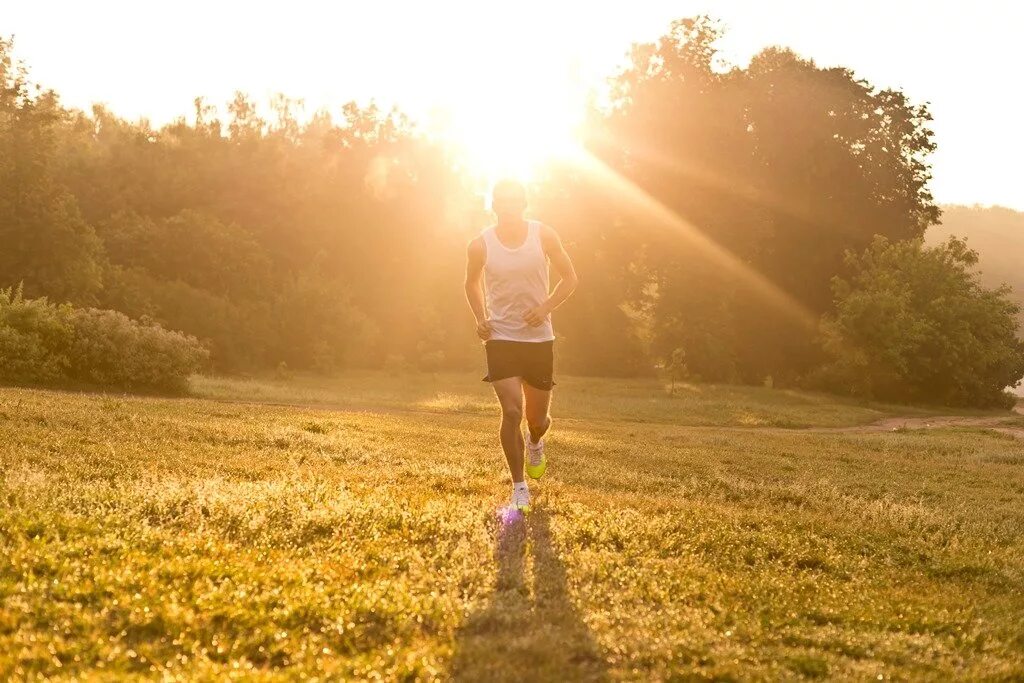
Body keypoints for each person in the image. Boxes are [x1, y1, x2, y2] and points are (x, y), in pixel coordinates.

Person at [464, 179, 579, 511]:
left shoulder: (543, 235)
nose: (509, 206)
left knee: (537, 419)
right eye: (502, 200)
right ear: (495, 204)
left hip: (538, 339)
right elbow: (471, 283)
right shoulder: (479, 245)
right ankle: (518, 487)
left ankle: (536, 442)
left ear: (524, 203)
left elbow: (571, 277)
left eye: (515, 200)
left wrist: (544, 308)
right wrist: (480, 317)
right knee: (511, 410)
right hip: (501, 337)